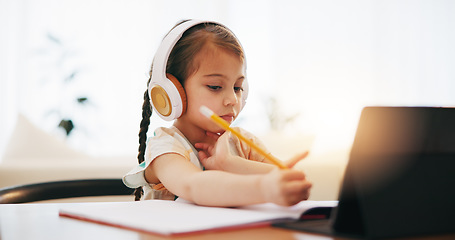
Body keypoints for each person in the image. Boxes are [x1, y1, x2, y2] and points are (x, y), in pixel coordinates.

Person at [123, 19, 312, 207]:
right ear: (173, 91)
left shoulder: (242, 142)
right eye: (215, 86)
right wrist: (264, 188)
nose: (233, 99)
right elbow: (195, 186)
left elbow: (291, 181)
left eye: (237, 87)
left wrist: (230, 164)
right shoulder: (164, 148)